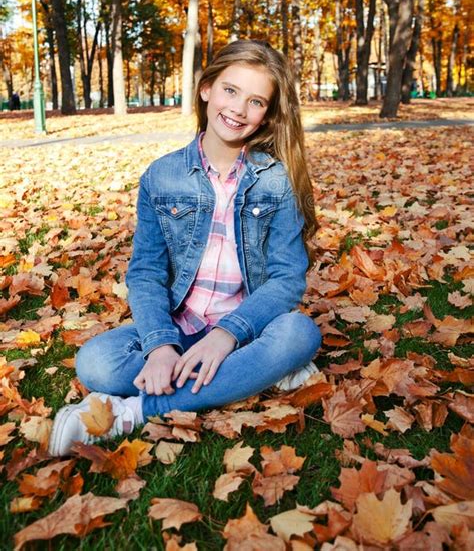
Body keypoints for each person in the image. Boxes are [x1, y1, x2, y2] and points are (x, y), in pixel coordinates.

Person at [49, 40, 322, 456]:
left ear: (266, 114)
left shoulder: (275, 180)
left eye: (255, 101)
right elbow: (146, 273)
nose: (238, 109)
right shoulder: (162, 176)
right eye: (230, 91)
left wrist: (227, 335)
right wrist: (160, 347)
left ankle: (132, 413)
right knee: (96, 362)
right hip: (183, 324)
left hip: (249, 327)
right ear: (206, 89)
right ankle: (255, 374)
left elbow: (286, 281)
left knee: (299, 332)